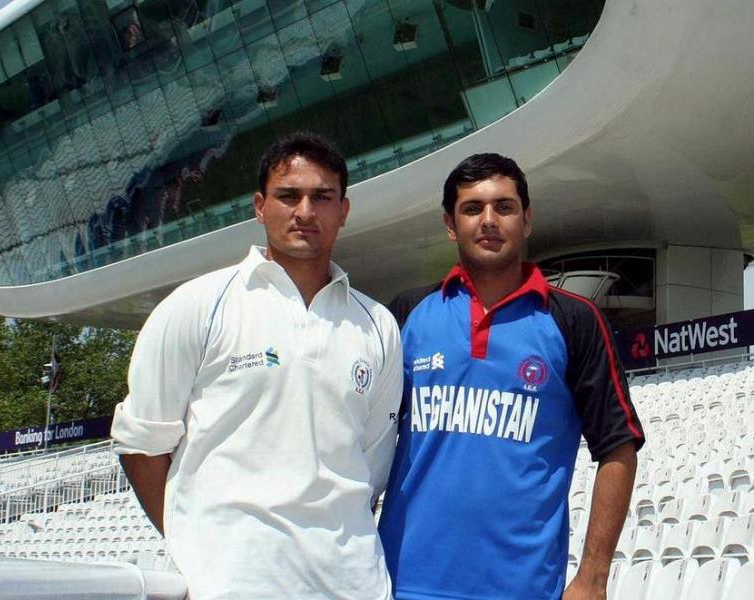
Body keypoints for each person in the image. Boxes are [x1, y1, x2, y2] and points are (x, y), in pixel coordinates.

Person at [111, 132, 403, 599]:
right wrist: (196, 548)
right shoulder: (199, 305)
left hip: (353, 585)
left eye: (322, 197)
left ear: (343, 211)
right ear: (260, 206)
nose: (305, 212)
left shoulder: (378, 326)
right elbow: (141, 442)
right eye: (289, 196)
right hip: (230, 587)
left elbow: (368, 466)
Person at [378, 153, 644, 600]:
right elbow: (364, 444)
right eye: (471, 208)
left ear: (527, 220)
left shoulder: (574, 320)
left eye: (503, 207)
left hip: (524, 587)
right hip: (404, 584)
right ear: (449, 224)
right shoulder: (406, 314)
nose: (488, 220)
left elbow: (618, 448)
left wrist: (593, 577)